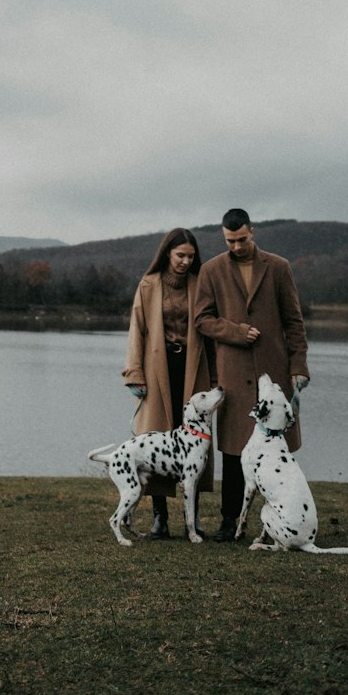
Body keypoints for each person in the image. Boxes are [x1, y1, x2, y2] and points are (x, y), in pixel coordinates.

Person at [194, 208, 309, 542]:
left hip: (274, 373)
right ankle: (229, 522)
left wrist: (299, 365)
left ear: (253, 232)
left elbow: (294, 322)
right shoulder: (211, 270)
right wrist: (236, 332)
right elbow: (202, 319)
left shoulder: (278, 267)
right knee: (233, 449)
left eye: (242, 239)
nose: (236, 246)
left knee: (278, 450)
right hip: (232, 373)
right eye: (230, 240)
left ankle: (282, 518)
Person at [121, 227, 217, 538]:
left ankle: (194, 521)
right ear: (167, 254)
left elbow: (209, 333)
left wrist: (214, 379)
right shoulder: (148, 285)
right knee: (155, 442)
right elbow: (137, 330)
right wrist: (134, 372)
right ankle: (160, 520)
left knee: (195, 445)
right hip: (156, 369)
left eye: (190, 256)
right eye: (180, 255)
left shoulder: (200, 284)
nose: (186, 262)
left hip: (193, 369)